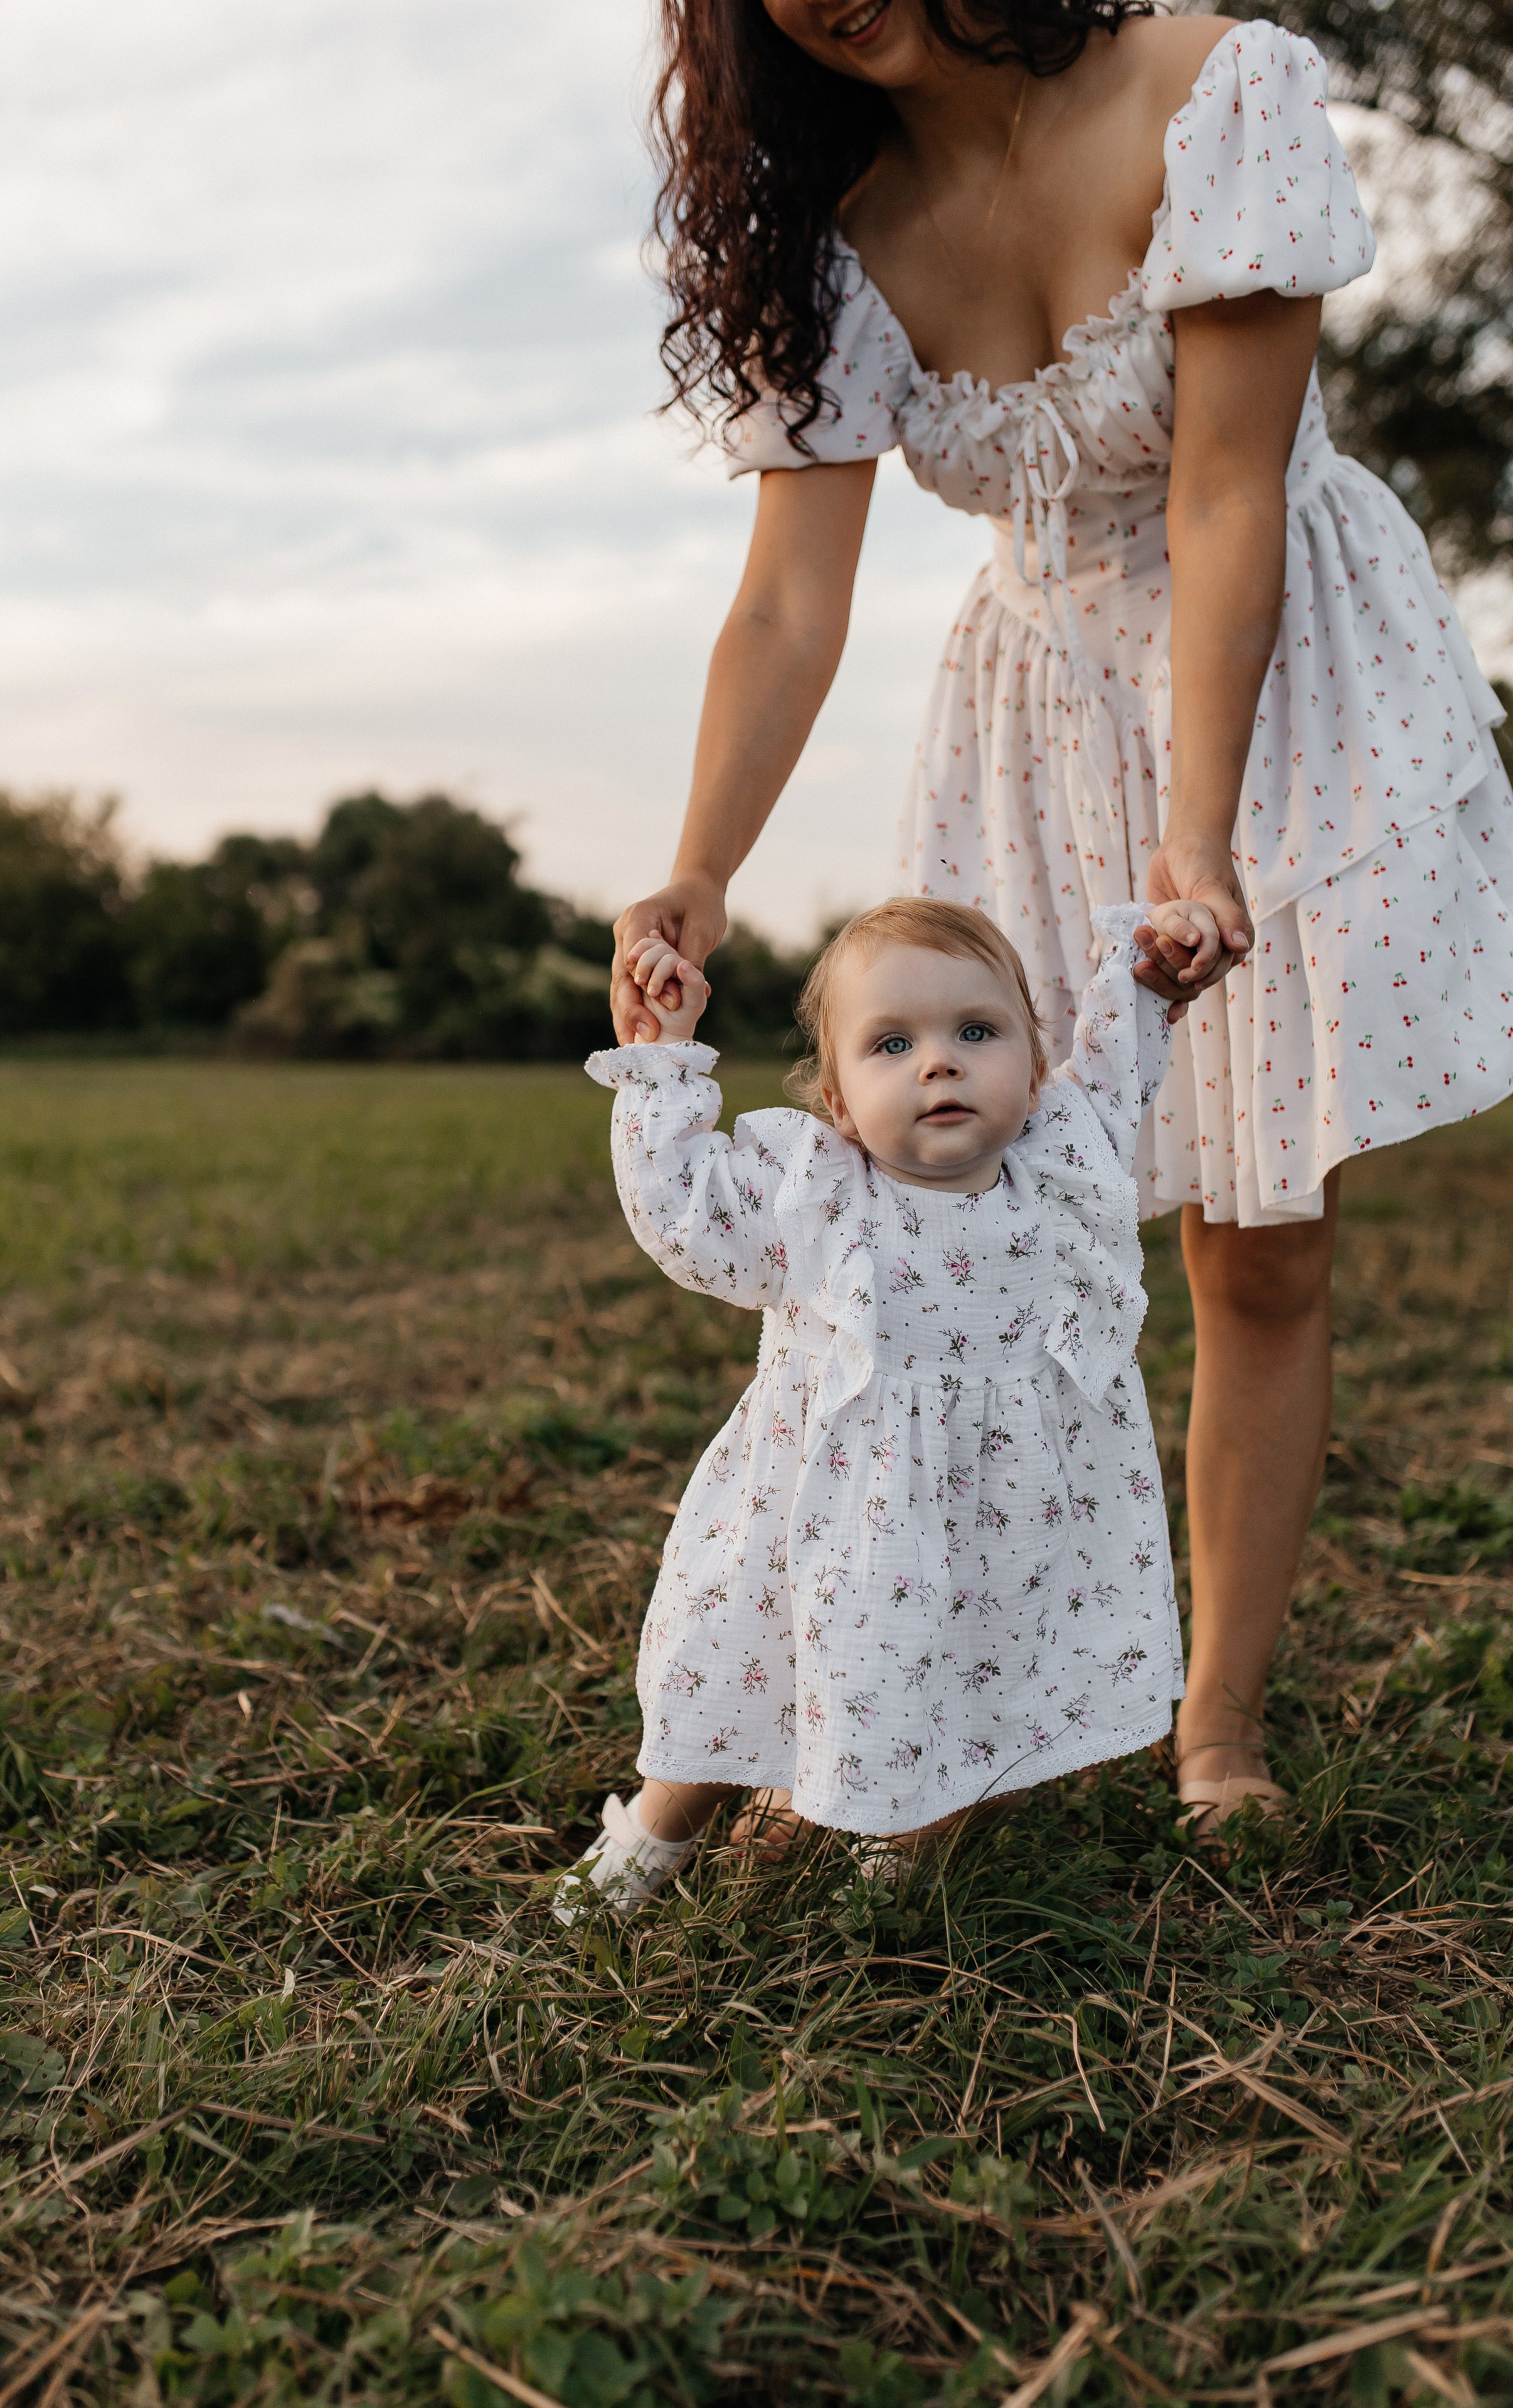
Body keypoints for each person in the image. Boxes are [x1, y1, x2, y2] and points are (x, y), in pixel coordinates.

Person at [609, 1, 1513, 1832]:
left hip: (1274, 679)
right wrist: (699, 868)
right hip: (1038, 714)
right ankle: (935, 1698)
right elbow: (791, 600)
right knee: (973, 1245)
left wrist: (1198, 839)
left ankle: (1215, 1722)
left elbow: (1224, 486)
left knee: (1258, 1236)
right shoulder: (834, 217)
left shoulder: (1210, 87)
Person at [555, 892, 1218, 1921]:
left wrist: (1149, 979)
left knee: (966, 1692)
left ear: (1036, 1073)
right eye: (892, 1043)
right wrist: (664, 1057)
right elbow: (684, 1213)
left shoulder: (1059, 1165)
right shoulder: (817, 1197)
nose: (939, 1062)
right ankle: (656, 1832)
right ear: (836, 1099)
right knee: (738, 1690)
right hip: (825, 1529)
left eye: (977, 1032)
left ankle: (895, 1868)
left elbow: (1122, 1067)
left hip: (994, 1535)